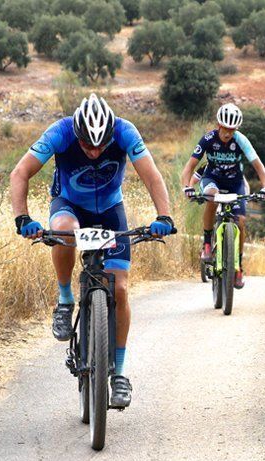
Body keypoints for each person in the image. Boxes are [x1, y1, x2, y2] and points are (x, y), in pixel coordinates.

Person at [9, 93, 174, 407]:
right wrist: (23, 218)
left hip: (110, 212)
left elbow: (152, 176)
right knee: (64, 231)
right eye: (87, 146)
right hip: (69, 205)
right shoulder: (60, 131)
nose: (95, 152)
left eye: (102, 145)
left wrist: (163, 216)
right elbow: (20, 173)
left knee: (121, 289)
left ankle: (120, 373)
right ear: (78, 135)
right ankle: (65, 299)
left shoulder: (126, 132)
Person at [180, 103, 265, 289]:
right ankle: (207, 244)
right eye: (225, 129)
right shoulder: (207, 139)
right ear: (218, 125)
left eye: (232, 129)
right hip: (212, 178)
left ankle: (238, 266)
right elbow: (189, 167)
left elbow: (258, 166)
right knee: (211, 197)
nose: (228, 133)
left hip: (235, 182)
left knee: (241, 221)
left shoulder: (241, 140)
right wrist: (187, 187)